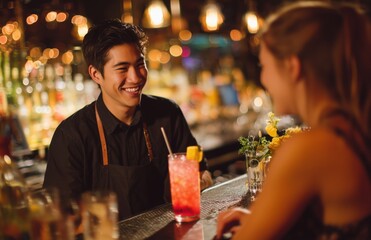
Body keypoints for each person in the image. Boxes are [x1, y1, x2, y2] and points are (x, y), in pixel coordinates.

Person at [216, 1, 371, 239]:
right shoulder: (353, 129)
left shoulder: (310, 147)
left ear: (292, 67)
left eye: (264, 66)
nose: (263, 79)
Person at [43, 19, 213, 221]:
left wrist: (201, 180)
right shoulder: (72, 136)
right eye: (122, 68)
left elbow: (200, 172)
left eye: (140, 64)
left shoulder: (167, 114)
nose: (135, 77)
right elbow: (59, 217)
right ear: (96, 74)